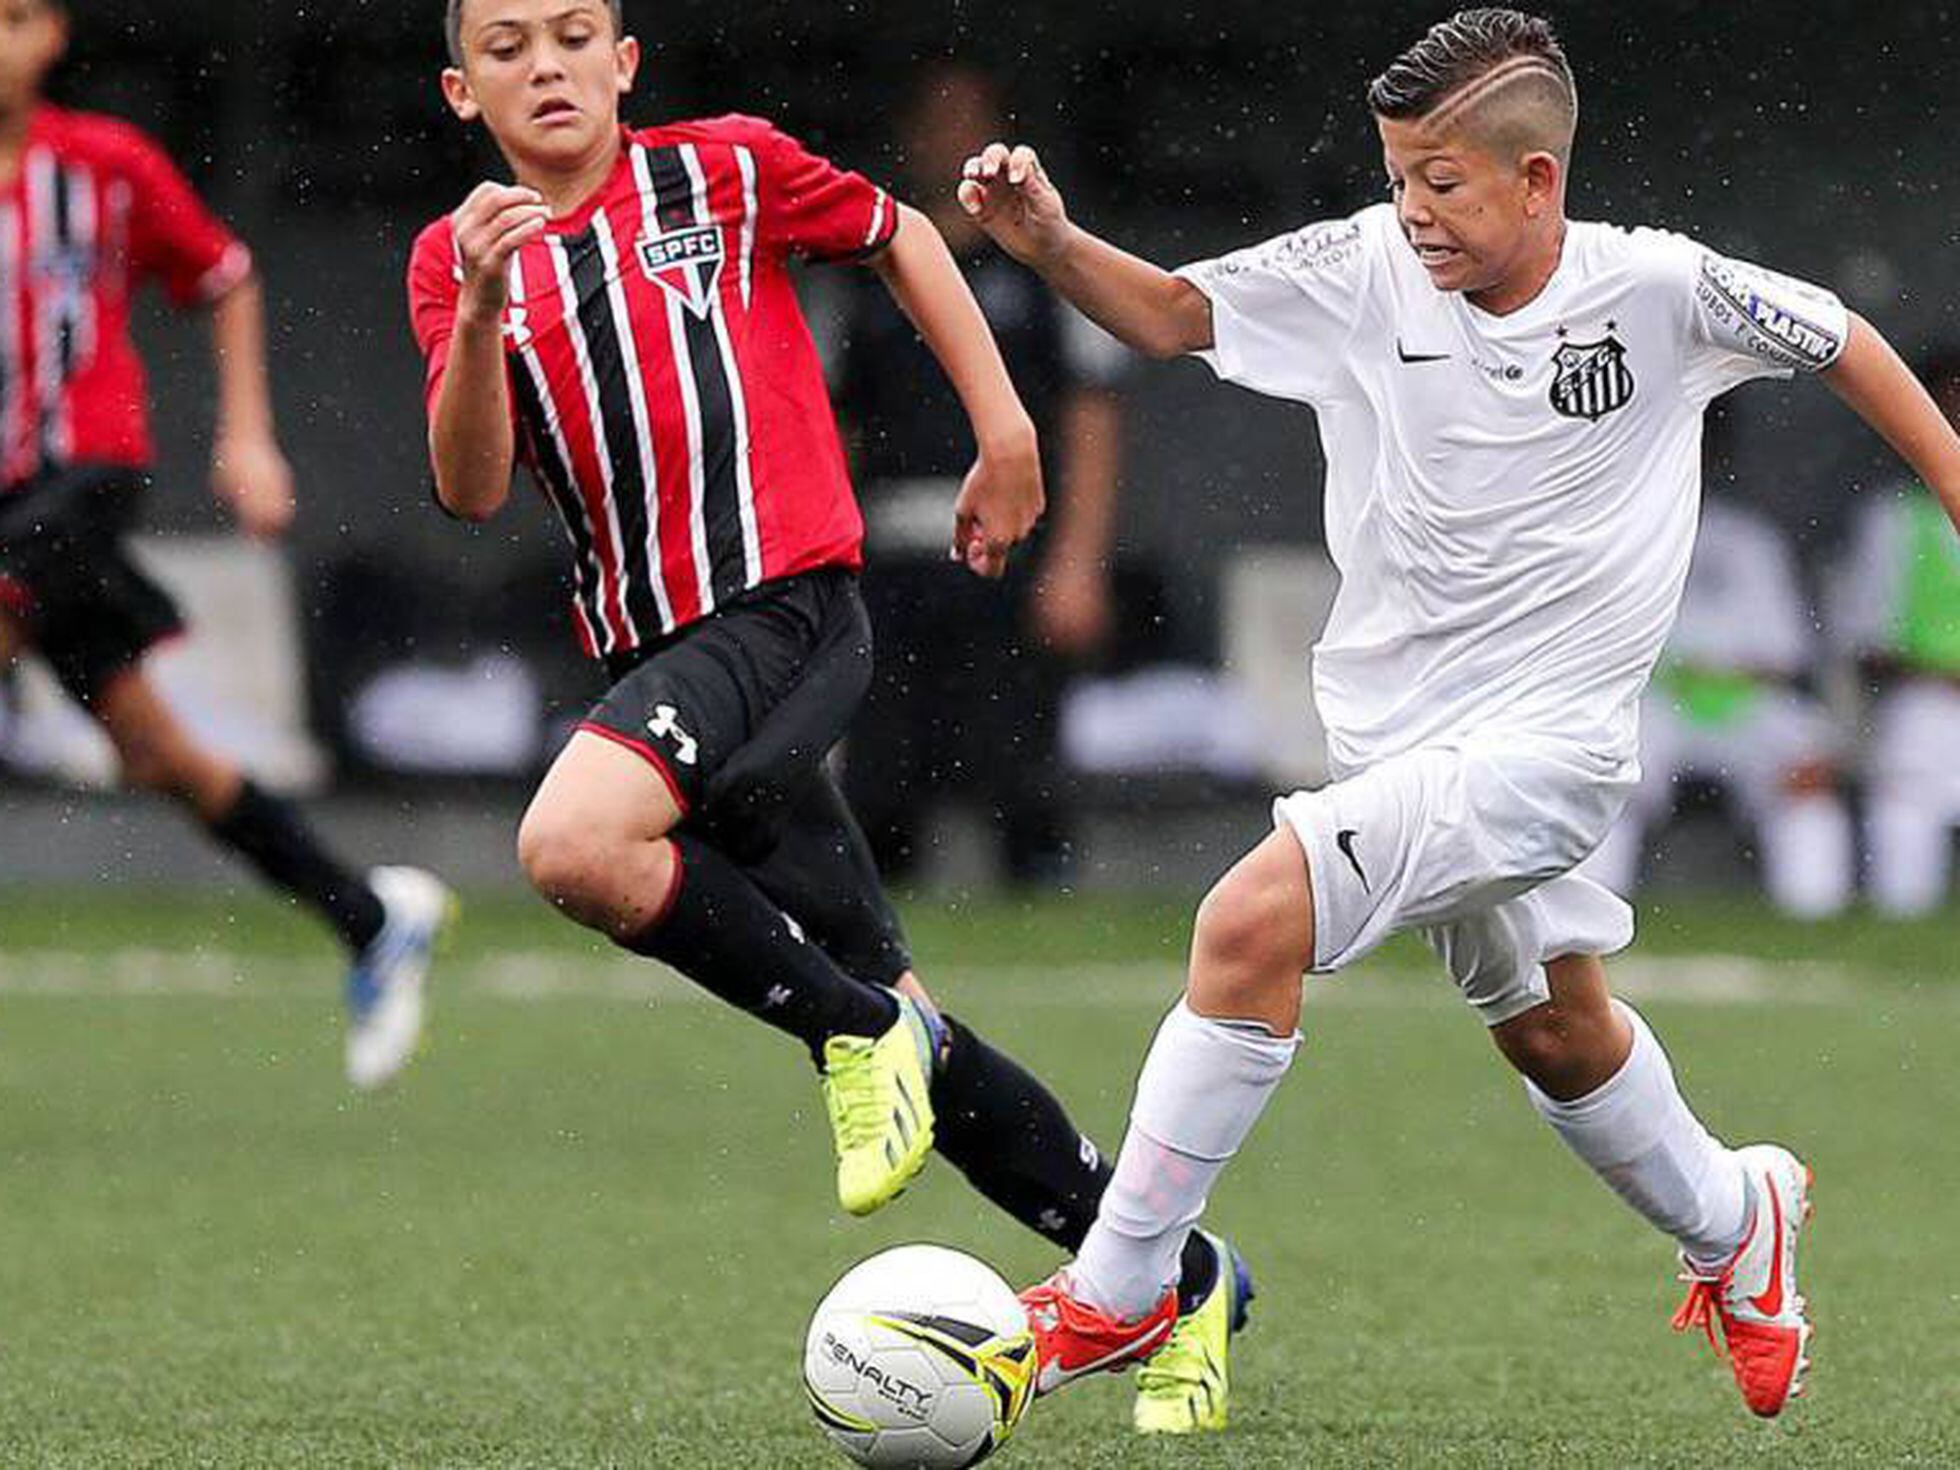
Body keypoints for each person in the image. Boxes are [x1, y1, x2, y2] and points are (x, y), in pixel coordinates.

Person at [959, 6, 1960, 1420]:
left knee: (1249, 919)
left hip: (1550, 752)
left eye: (1442, 180)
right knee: (1553, 1026)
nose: (1411, 210)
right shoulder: (1367, 269)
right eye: (1398, 175)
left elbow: (1841, 333)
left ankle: (1119, 1286)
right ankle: (1739, 1218)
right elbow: (1178, 315)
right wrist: (1051, 240)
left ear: (1537, 180)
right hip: (1398, 740)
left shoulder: (1658, 291)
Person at [412, 0, 1250, 1435]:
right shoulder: (455, 258)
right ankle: (1180, 1277)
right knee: (923, 1021)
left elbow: (904, 236)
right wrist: (485, 311)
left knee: (571, 843)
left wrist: (1006, 430)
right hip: (662, 651)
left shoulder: (722, 169)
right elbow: (472, 484)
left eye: (570, 35)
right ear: (460, 89)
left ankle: (854, 1033)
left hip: (784, 612)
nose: (542, 65)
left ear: (624, 61)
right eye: (506, 46)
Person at [0, 0, 450, 1089]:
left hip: (81, 478)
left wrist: (247, 438)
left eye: (12, 19)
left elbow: (224, 275)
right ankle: (369, 916)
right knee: (158, 756)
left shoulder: (104, 164)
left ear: (51, 34)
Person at [831, 63, 1129, 886]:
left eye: (968, 121)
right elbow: (838, 425)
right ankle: (891, 963)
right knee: (881, 784)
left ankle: (1037, 930)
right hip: (892, 546)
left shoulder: (1041, 260)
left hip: (1013, 545)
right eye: (934, 122)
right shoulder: (869, 265)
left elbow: (1093, 410)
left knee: (1020, 781)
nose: (949, 140)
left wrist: (1077, 561)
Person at [1581, 492, 1853, 918]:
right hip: (1651, 697)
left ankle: (1812, 920)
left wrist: (1721, 677)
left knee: (1808, 778)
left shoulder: (1752, 537)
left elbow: (1787, 655)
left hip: (1746, 696)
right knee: (1600, 777)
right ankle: (1589, 921)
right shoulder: (1616, 525)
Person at [1832, 350, 1960, 916]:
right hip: (1929, 700)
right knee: (1904, 799)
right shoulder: (1893, 519)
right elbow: (1865, 646)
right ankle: (1901, 922)